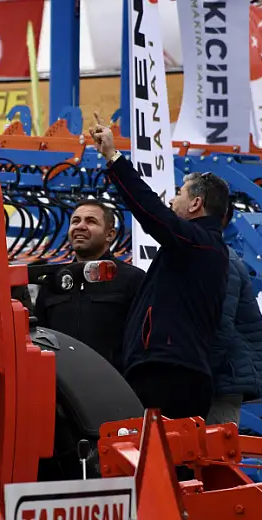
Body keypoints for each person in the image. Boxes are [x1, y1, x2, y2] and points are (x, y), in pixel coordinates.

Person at [88, 112, 230, 420]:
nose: (171, 201)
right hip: (167, 370)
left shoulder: (200, 243)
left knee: (159, 463)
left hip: (170, 374)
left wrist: (113, 158)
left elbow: (151, 211)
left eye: (178, 193)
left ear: (196, 204)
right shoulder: (196, 247)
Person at [32, 200, 145, 370]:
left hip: (114, 386)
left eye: (91, 221)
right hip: (63, 387)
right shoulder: (54, 281)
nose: (80, 226)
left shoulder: (132, 279)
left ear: (110, 234)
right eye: (75, 221)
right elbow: (40, 336)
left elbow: (141, 342)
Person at [207, 204, 262, 427]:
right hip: (215, 381)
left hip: (217, 385)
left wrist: (195, 372)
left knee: (211, 456)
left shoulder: (222, 261)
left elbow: (219, 326)